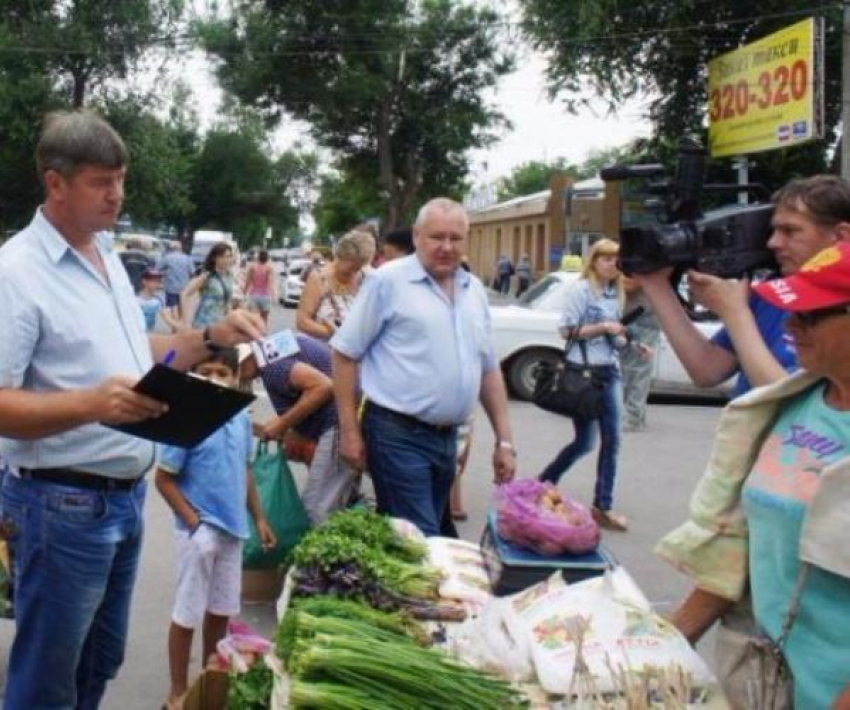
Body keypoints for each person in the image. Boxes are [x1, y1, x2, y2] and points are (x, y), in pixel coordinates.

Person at [0, 110, 264, 709]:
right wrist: (92, 404)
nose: (117, 194)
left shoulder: (104, 256)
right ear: (55, 182)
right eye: (101, 181)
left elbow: (134, 352)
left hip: (119, 501)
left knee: (97, 665)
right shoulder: (16, 272)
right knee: (46, 684)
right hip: (57, 504)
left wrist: (210, 337)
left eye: (121, 179)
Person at [656, 243, 850, 709]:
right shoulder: (798, 402)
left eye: (809, 316)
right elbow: (747, 540)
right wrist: (670, 637)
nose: (789, 327)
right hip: (771, 682)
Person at [331, 197, 517, 536]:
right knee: (424, 543)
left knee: (425, 541)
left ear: (466, 239)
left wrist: (504, 441)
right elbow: (344, 354)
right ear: (417, 236)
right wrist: (349, 431)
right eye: (436, 237)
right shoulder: (388, 282)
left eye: (455, 238)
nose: (446, 247)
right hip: (396, 435)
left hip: (447, 440)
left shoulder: (473, 289)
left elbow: (488, 368)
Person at [634, 174, 850, 397]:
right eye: (773, 230)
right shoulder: (775, 292)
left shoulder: (842, 310)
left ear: (840, 236)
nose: (773, 242)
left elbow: (793, 403)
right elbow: (707, 370)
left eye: (790, 231)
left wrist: (735, 312)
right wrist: (655, 283)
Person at [154, 348, 276, 710]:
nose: (214, 379)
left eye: (222, 372)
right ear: (192, 377)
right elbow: (164, 480)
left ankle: (211, 678)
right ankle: (177, 691)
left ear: (236, 377)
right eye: (205, 372)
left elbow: (246, 470)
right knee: (187, 612)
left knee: (220, 611)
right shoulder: (187, 419)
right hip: (199, 532)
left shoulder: (239, 417)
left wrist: (259, 518)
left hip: (233, 530)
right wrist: (195, 523)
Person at [536, 239, 630, 531]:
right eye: (606, 259)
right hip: (585, 373)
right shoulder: (581, 290)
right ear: (594, 261)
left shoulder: (615, 293)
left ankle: (603, 505)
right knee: (586, 442)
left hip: (609, 370)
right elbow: (566, 330)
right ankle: (542, 484)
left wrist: (627, 341)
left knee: (612, 440)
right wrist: (603, 328)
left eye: (616, 260)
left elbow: (614, 335)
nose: (612, 265)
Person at [240, 332, 358, 524]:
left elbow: (324, 386)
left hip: (339, 421)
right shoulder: (271, 351)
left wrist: (282, 423)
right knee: (341, 502)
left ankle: (315, 553)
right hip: (344, 419)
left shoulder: (272, 366)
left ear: (247, 356)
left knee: (316, 507)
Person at [297, 231, 371, 341]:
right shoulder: (318, 278)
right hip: (325, 349)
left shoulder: (364, 277)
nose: (354, 273)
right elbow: (302, 322)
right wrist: (332, 332)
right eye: (351, 268)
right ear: (339, 256)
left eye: (358, 268)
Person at [620, 277, 660, 432]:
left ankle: (633, 418)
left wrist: (611, 280)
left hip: (641, 320)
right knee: (630, 371)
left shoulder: (642, 265)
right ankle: (634, 416)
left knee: (636, 372)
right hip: (635, 318)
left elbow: (632, 284)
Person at [184, 242, 235, 328]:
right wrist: (186, 319)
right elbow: (187, 294)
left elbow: (228, 301)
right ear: (214, 258)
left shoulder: (229, 276)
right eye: (222, 256)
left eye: (229, 256)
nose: (226, 259)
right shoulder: (207, 276)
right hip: (203, 323)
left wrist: (230, 319)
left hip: (221, 323)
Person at [137, 268, 183, 333]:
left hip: (149, 334)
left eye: (158, 281)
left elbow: (168, 318)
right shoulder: (134, 299)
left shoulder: (158, 301)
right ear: (144, 281)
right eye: (153, 280)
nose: (157, 283)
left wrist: (184, 328)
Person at [157, 240, 195, 313]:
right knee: (182, 308)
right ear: (181, 248)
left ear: (171, 248)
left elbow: (158, 269)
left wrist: (165, 273)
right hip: (184, 288)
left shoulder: (167, 258)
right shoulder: (187, 258)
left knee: (171, 308)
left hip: (171, 288)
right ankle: (180, 320)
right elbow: (192, 273)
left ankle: (173, 322)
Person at [243, 249, 278, 327]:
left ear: (258, 257)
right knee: (264, 319)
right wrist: (274, 296)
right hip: (265, 296)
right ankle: (263, 336)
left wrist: (244, 293)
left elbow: (247, 282)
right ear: (267, 258)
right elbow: (270, 283)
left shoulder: (252, 267)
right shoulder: (269, 268)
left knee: (254, 319)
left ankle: (254, 336)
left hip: (254, 295)